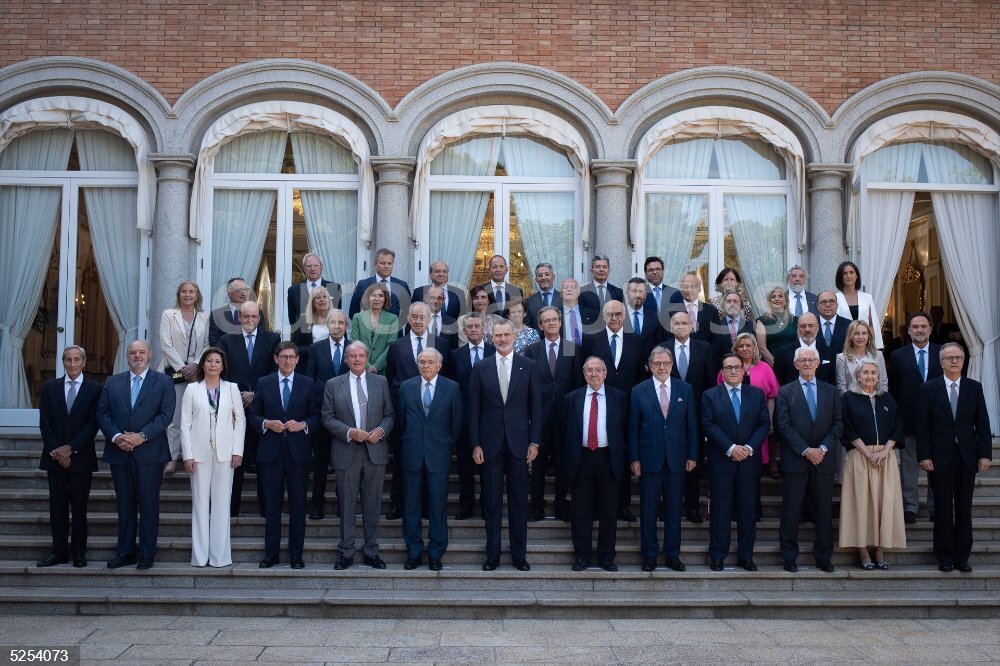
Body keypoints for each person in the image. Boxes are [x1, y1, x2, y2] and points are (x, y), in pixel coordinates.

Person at [469, 320, 543, 571]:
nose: (502, 339)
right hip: (489, 445)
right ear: (492, 338)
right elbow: (474, 410)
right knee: (490, 503)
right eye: (498, 335)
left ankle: (519, 555)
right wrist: (475, 443)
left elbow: (537, 407)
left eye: (506, 334)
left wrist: (535, 440)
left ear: (514, 336)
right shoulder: (481, 367)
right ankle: (493, 556)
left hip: (520, 444)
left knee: (519, 501)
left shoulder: (529, 366)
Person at [96, 339, 175, 570]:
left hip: (150, 453)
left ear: (150, 355)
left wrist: (141, 436)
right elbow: (102, 414)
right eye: (132, 353)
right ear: (127, 356)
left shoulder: (163, 381)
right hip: (119, 452)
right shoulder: (112, 382)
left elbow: (166, 414)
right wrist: (117, 437)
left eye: (141, 352)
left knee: (149, 505)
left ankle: (147, 554)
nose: (137, 356)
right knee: (124, 505)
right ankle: (125, 552)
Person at [918, 343, 992, 572]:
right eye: (949, 358)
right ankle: (944, 556)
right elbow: (923, 426)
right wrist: (924, 454)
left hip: (967, 456)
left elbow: (982, 423)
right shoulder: (929, 388)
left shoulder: (974, 388)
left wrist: (985, 454)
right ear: (941, 363)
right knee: (941, 508)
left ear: (963, 361)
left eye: (958, 357)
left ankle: (962, 557)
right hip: (939, 457)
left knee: (963, 508)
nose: (954, 361)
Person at [323, 342, 395, 570]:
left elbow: (390, 415)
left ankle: (371, 551)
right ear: (346, 359)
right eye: (352, 356)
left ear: (367, 357)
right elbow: (327, 417)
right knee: (346, 504)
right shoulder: (334, 384)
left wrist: (381, 431)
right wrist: (349, 432)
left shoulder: (380, 382)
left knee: (373, 505)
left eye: (361, 355)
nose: (356, 359)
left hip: (375, 452)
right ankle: (346, 551)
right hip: (347, 451)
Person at [250, 342, 321, 570]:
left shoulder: (308, 384)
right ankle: (271, 554)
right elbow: (253, 415)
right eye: (283, 357)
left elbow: (318, 416)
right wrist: (266, 423)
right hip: (270, 453)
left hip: (298, 453)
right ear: (275, 359)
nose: (288, 361)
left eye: (291, 357)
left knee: (298, 506)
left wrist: (304, 425)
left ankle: (296, 555)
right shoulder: (264, 382)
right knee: (272, 506)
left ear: (298, 359)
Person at [629, 347, 698, 572]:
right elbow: (632, 429)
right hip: (649, 459)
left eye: (666, 363)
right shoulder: (639, 391)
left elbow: (692, 426)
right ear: (649, 365)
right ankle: (649, 555)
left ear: (671, 365)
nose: (661, 367)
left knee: (674, 510)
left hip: (677, 458)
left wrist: (693, 455)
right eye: (657, 363)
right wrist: (634, 458)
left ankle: (672, 554)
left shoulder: (685, 389)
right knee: (648, 510)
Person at [775, 347, 842, 573]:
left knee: (824, 511)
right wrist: (806, 450)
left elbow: (838, 424)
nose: (806, 363)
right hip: (796, 459)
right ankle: (789, 557)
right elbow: (783, 426)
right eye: (802, 360)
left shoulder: (832, 391)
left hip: (823, 459)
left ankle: (824, 557)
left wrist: (822, 448)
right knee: (791, 510)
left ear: (817, 363)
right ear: (795, 365)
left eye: (810, 360)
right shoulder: (785, 392)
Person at [385, 301, 453, 520]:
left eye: (421, 317)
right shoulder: (396, 346)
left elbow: (446, 380)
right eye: (413, 317)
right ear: (408, 319)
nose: (417, 321)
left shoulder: (441, 344)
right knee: (402, 461)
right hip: (405, 416)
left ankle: (425, 506)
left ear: (429, 320)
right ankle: (397, 503)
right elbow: (390, 379)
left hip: (433, 417)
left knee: (429, 464)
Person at [702, 353, 770, 571]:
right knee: (720, 511)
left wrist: (748, 449)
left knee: (748, 511)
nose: (732, 371)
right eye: (728, 368)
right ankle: (718, 555)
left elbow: (763, 424)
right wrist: (731, 449)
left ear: (744, 371)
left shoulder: (757, 394)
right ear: (721, 372)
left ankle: (746, 556)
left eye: (736, 367)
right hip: (722, 461)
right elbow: (709, 426)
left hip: (749, 462)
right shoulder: (710, 395)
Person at [36, 345, 101, 568]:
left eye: (76, 360)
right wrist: (58, 451)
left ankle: (79, 553)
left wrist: (71, 448)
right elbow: (45, 423)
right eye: (68, 360)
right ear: (63, 362)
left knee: (80, 507)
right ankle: (59, 552)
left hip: (81, 458)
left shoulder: (94, 389)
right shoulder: (50, 388)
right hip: (55, 458)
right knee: (57, 507)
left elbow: (93, 423)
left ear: (83, 362)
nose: (72, 364)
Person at [398, 349, 463, 571]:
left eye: (430, 362)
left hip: (439, 455)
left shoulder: (452, 388)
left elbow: (456, 425)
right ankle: (414, 553)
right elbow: (401, 421)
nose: (425, 365)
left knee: (438, 507)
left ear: (439, 365)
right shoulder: (406, 387)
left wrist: (443, 442)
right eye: (422, 362)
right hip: (412, 454)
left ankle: (436, 553)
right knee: (412, 507)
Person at [179, 346, 244, 568]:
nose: (213, 365)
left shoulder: (232, 388)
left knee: (221, 504)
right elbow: (184, 424)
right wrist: (187, 455)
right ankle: (199, 556)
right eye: (209, 361)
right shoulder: (192, 390)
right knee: (199, 503)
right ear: (203, 365)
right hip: (198, 454)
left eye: (217, 361)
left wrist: (238, 451)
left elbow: (240, 421)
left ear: (223, 366)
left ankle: (220, 557)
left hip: (225, 454)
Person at [582, 299, 645, 523]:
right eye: (610, 314)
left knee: (624, 453)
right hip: (598, 404)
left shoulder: (637, 341)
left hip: (627, 406)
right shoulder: (591, 340)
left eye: (618, 313)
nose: (614, 318)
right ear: (603, 316)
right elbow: (586, 372)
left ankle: (623, 505)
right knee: (601, 458)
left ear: (625, 316)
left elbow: (640, 375)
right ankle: (599, 505)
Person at [840, 360, 906, 569]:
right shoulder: (849, 399)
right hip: (860, 456)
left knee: (883, 504)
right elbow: (847, 429)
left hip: (885, 458)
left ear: (879, 377)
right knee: (861, 504)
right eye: (865, 372)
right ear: (857, 377)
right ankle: (862, 550)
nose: (869, 376)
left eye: (873, 373)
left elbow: (898, 426)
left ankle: (880, 550)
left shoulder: (887, 399)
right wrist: (868, 453)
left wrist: (885, 451)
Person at [564, 356, 628, 571]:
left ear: (605, 373)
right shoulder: (572, 398)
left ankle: (606, 556)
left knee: (609, 510)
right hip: (581, 459)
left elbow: (625, 431)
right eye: (589, 370)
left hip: (608, 458)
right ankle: (582, 554)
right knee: (580, 510)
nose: (594, 374)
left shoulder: (619, 398)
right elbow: (563, 433)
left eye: (598, 370)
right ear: (583, 374)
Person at [218, 301, 279, 517]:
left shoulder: (272, 339)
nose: (250, 320)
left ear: (259, 318)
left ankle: (265, 509)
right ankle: (232, 509)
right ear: (239, 318)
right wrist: (238, 395)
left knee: (263, 460)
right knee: (236, 460)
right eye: (246, 317)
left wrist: (256, 394)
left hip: (263, 408)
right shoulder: (227, 341)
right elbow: (222, 373)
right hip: (235, 409)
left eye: (254, 317)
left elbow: (274, 371)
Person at [524, 305, 583, 521]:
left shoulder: (572, 348)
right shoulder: (532, 350)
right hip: (540, 416)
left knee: (563, 462)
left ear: (560, 322)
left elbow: (578, 384)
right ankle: (537, 504)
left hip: (566, 417)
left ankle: (561, 504)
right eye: (546, 320)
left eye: (554, 319)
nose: (551, 323)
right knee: (537, 464)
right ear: (540, 325)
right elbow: (529, 386)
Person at [888, 311, 941, 524]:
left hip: (937, 422)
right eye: (915, 327)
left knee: (936, 467)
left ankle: (935, 507)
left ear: (930, 329)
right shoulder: (898, 356)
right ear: (909, 331)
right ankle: (910, 506)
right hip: (908, 420)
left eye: (923, 326)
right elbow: (894, 390)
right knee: (909, 468)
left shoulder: (942, 353)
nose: (919, 330)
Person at [666, 311, 716, 524]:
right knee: (668, 462)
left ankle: (693, 508)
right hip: (667, 415)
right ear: (671, 326)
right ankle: (669, 507)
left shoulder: (704, 348)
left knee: (693, 462)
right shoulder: (663, 349)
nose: (680, 326)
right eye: (676, 323)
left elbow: (711, 382)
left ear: (692, 325)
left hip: (696, 414)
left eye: (684, 323)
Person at [157, 280, 209, 476]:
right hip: (174, 371)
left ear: (197, 296)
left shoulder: (204, 317)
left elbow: (207, 343)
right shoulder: (169, 315)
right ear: (179, 295)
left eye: (192, 292)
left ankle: (194, 456)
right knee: (175, 417)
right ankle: (171, 458)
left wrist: (196, 364)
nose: (188, 295)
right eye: (184, 292)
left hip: (197, 372)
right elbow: (166, 344)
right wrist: (183, 368)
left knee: (198, 416)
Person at [446, 313, 495, 520]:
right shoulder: (455, 355)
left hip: (491, 419)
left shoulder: (495, 352)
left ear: (484, 329)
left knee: (489, 467)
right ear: (464, 331)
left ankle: (487, 505)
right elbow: (451, 387)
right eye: (470, 327)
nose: (474, 330)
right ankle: (466, 504)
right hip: (465, 419)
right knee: (465, 466)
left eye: (477, 326)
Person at [304, 309, 350, 519]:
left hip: (347, 416)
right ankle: (317, 506)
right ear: (327, 325)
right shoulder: (316, 348)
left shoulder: (354, 349)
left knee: (345, 464)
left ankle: (344, 505)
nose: (337, 326)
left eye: (341, 323)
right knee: (320, 463)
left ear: (346, 326)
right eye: (333, 322)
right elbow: (310, 380)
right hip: (323, 414)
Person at [717, 333, 779, 477]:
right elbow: (719, 395)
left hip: (758, 420)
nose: (744, 348)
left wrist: (769, 419)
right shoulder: (728, 368)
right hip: (733, 420)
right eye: (741, 345)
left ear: (755, 347)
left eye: (748, 345)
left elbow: (772, 396)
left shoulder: (764, 367)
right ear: (736, 348)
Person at [773, 312, 835, 386]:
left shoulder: (829, 353)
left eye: (811, 326)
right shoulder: (783, 353)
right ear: (798, 328)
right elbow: (778, 383)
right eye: (803, 326)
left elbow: (832, 382)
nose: (807, 329)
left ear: (818, 328)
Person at [349, 282, 399, 374]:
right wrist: (367, 365)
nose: (377, 299)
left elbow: (391, 346)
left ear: (385, 298)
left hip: (383, 370)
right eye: (373, 295)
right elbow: (355, 343)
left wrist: (376, 366)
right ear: (368, 298)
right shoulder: (358, 317)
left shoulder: (392, 319)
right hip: (360, 368)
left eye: (380, 296)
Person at [348, 247, 411, 317]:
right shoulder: (363, 285)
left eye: (389, 263)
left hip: (394, 327)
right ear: (375, 264)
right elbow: (353, 313)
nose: (386, 266)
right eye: (383, 263)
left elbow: (409, 312)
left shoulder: (402, 285)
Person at [834, 260, 883, 349]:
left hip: (864, 344)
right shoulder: (835, 298)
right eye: (844, 273)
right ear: (840, 277)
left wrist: (876, 346)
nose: (848, 276)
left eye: (851, 272)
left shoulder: (867, 297)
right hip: (843, 344)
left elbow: (873, 324)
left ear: (856, 276)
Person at [208, 277, 269, 347]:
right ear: (229, 293)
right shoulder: (217, 315)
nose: (244, 293)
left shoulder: (257, 312)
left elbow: (261, 338)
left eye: (246, 290)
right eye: (239, 290)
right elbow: (214, 342)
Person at [287, 252, 342, 328]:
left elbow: (338, 314)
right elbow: (292, 318)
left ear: (321, 267)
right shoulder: (293, 291)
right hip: (303, 336)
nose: (313, 269)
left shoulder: (334, 288)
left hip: (328, 335)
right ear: (304, 268)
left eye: (316, 265)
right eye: (309, 266)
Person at [835, 320, 888, 396]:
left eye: (864, 333)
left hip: (875, 402)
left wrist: (879, 402)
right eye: (856, 333)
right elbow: (841, 387)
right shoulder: (842, 358)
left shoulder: (878, 355)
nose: (860, 337)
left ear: (868, 336)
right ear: (850, 336)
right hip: (851, 404)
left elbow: (883, 383)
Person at [291, 285, 332, 372]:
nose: (322, 300)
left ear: (329, 300)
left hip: (331, 365)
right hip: (309, 365)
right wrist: (316, 349)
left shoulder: (336, 318)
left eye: (324, 297)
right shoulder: (303, 320)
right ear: (312, 302)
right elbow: (295, 347)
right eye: (318, 297)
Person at [754, 286, 797, 366]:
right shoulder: (762, 321)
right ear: (769, 301)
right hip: (772, 366)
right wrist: (777, 365)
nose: (777, 299)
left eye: (780, 296)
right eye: (773, 297)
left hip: (794, 365)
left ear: (785, 301)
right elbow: (762, 348)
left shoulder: (795, 320)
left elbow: (801, 344)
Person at [709, 290, 755, 361]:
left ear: (741, 305)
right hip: (722, 367)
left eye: (735, 301)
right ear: (723, 305)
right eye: (728, 301)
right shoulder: (716, 326)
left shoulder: (751, 326)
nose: (732, 304)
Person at [671, 273, 717, 342]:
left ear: (699, 289)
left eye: (692, 287)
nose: (689, 290)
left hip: (706, 352)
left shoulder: (711, 311)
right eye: (685, 287)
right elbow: (668, 338)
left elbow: (717, 338)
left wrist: (708, 352)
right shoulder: (670, 312)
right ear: (681, 290)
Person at [624, 277, 665, 354]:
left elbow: (659, 344)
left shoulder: (655, 317)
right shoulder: (618, 316)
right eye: (634, 291)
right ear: (627, 293)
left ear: (645, 294)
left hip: (648, 363)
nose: (637, 295)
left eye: (641, 291)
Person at [480, 254, 523, 319]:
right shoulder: (482, 291)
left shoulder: (516, 291)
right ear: (489, 270)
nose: (498, 270)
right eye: (494, 267)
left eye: (501, 266)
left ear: (506, 270)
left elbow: (521, 315)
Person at [558, 278, 598, 345]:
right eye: (565, 287)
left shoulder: (592, 315)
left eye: (572, 287)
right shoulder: (555, 315)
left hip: (587, 354)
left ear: (578, 292)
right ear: (561, 293)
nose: (569, 289)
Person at [815, 289, 852, 360]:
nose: (828, 305)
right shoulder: (810, 325)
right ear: (817, 306)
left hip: (841, 367)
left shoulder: (849, 325)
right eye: (823, 302)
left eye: (832, 301)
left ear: (837, 305)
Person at [423, 284, 459, 352]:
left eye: (439, 298)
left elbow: (454, 350)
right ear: (426, 298)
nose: (436, 301)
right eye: (433, 297)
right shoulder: (417, 321)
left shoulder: (452, 323)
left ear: (444, 300)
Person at [525, 262, 562, 329]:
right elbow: (527, 327)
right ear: (536, 280)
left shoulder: (563, 298)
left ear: (553, 277)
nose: (543, 277)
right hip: (537, 339)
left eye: (547, 274)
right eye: (540, 275)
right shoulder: (529, 301)